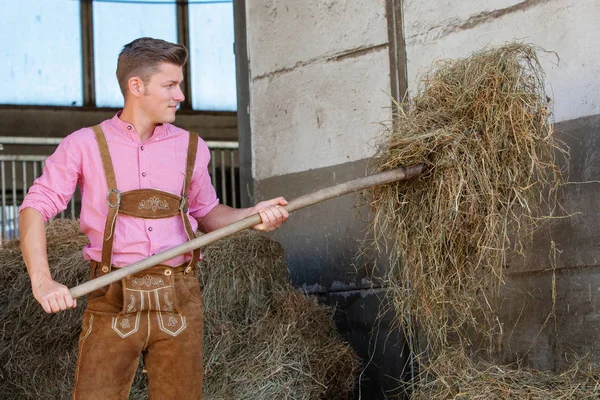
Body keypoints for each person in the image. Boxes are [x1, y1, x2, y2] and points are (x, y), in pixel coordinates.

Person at [18, 37, 289, 399]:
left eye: (180, 84)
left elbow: (207, 213)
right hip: (111, 291)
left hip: (179, 294)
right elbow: (35, 206)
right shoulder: (84, 144)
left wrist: (252, 216)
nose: (180, 95)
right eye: (171, 85)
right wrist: (42, 281)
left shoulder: (191, 147)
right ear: (136, 86)